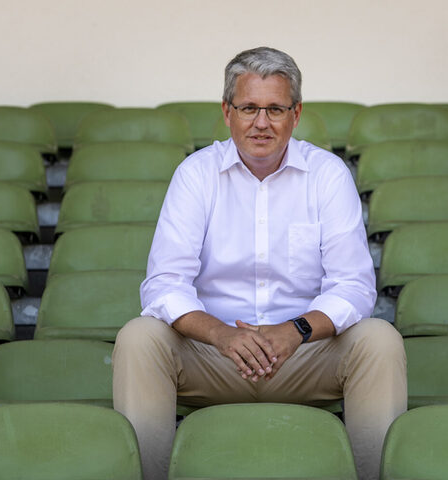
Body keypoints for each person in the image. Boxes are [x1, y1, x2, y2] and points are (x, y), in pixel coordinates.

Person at [111, 46, 406, 480]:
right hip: (213, 356)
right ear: (227, 112)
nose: (262, 122)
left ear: (296, 113)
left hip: (303, 356)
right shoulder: (196, 174)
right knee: (140, 337)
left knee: (378, 339)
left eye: (275, 109)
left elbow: (354, 287)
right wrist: (222, 335)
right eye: (249, 107)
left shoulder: (328, 175)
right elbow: (164, 285)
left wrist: (296, 331)